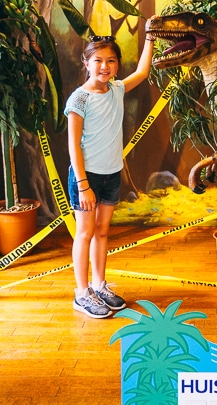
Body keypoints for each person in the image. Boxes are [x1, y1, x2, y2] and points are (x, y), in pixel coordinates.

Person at [65, 29, 154, 318]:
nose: (105, 67)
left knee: (102, 232)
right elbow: (73, 145)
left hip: (111, 174)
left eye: (111, 61)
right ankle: (82, 293)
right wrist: (83, 185)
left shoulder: (116, 89)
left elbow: (142, 71)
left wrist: (150, 38)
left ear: (117, 64)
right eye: (98, 60)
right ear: (86, 62)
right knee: (85, 232)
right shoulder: (79, 99)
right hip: (86, 177)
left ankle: (99, 285)